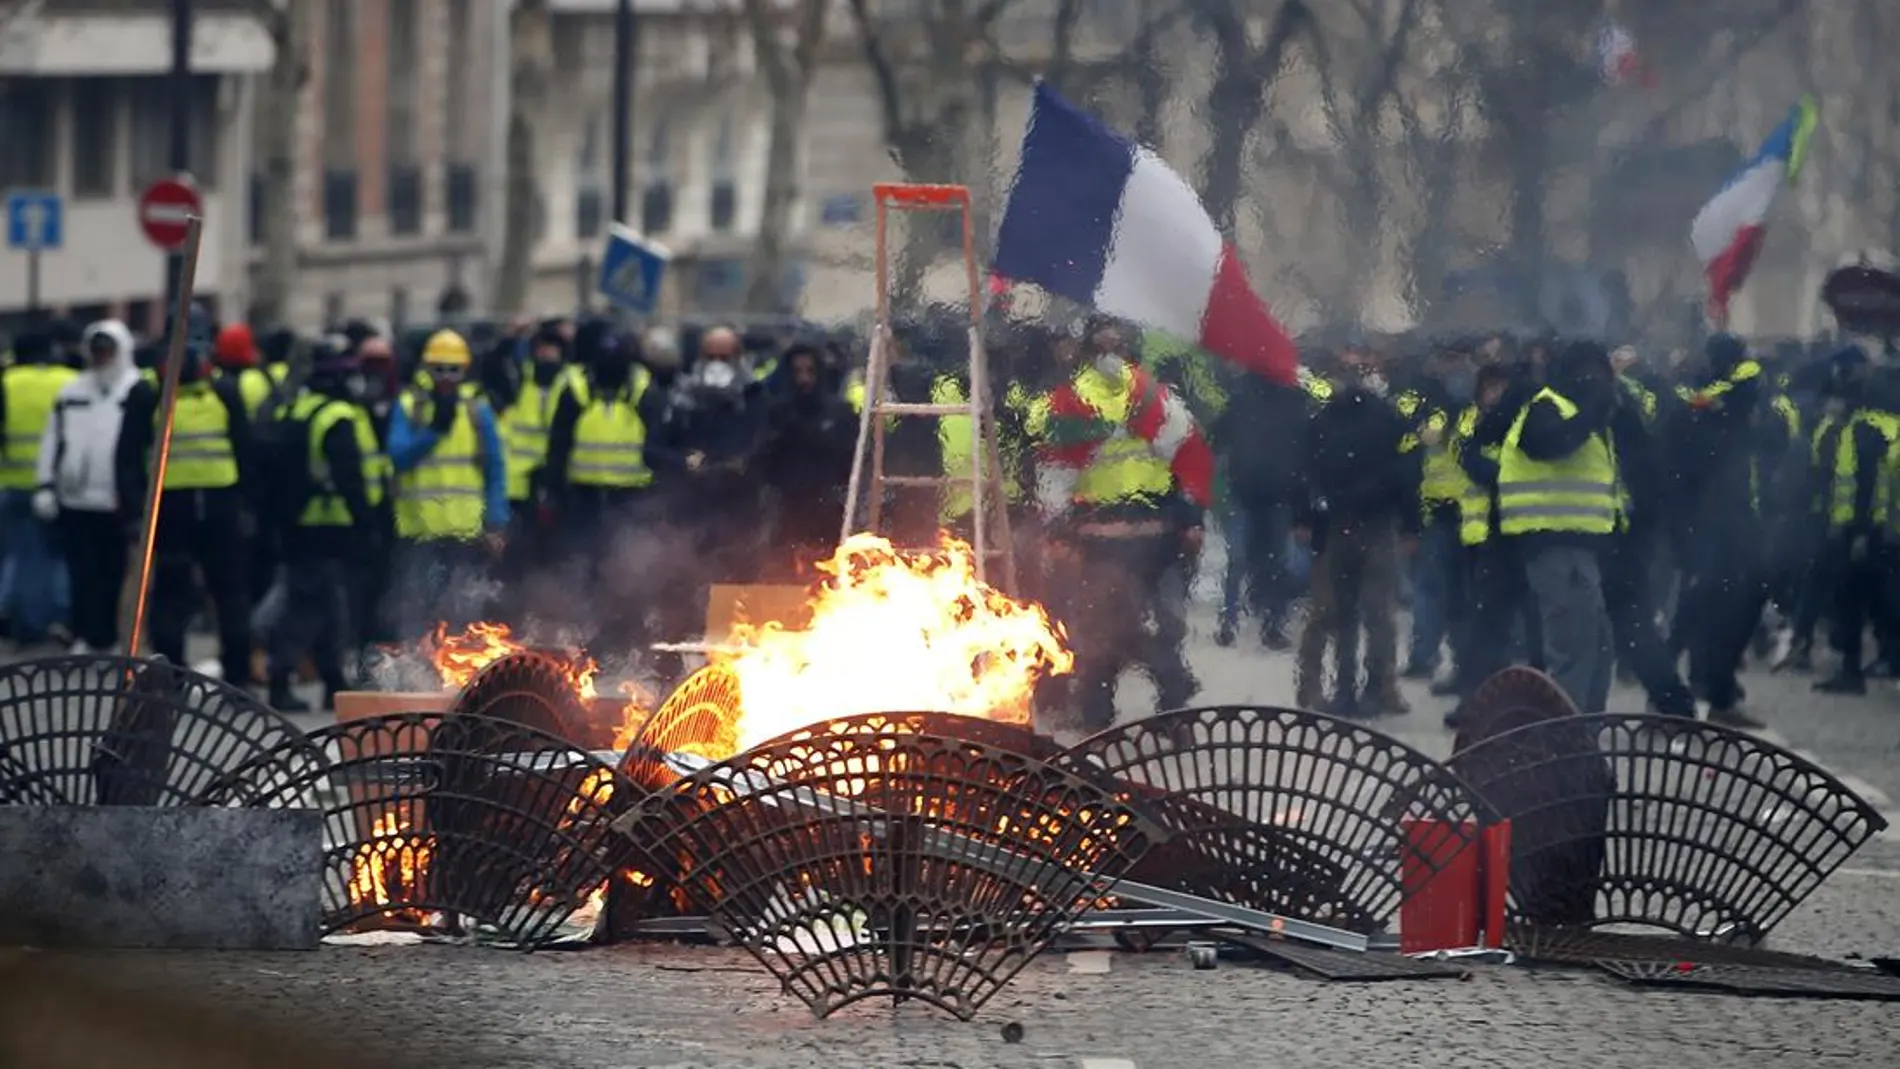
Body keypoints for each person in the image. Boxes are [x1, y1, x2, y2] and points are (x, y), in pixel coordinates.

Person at [1031, 316, 1207, 731]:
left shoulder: (1150, 398)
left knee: (1129, 629)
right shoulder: (1093, 399)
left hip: (1141, 537)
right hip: (1116, 538)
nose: (1112, 353)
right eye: (1106, 345)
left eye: (1117, 345)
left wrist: (1190, 518)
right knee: (1114, 631)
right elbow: (1056, 468)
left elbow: (1188, 460)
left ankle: (1146, 712)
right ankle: (1135, 711)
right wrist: (1058, 525)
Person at [115, 309, 255, 683]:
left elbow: (246, 453)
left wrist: (248, 508)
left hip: (220, 507)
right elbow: (127, 459)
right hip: (169, 510)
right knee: (171, 596)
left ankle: (237, 677)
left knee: (229, 595)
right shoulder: (147, 393)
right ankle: (170, 677)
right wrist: (135, 513)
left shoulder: (224, 391)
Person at [1494, 340, 1620, 714]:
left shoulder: (1580, 411)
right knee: (1573, 655)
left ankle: (1583, 733)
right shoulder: (1546, 407)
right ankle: (1564, 739)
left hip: (1579, 547)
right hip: (1553, 546)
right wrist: (1593, 410)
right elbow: (1550, 444)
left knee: (1596, 650)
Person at [1294, 349, 1417, 717]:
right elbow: (1304, 474)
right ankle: (1361, 687)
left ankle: (1362, 687)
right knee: (1350, 612)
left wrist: (1410, 523)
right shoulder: (1379, 418)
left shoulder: (1333, 420)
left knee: (1356, 613)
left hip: (1356, 524)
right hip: (1352, 525)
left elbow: (1405, 473)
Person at [266, 340, 382, 711]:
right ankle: (282, 679)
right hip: (329, 524)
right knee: (310, 607)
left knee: (325, 606)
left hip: (296, 523)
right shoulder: (337, 417)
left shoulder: (297, 409)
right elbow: (350, 478)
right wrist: (367, 524)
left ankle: (331, 679)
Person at [543, 321, 672, 654]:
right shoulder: (576, 387)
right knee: (586, 567)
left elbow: (659, 444)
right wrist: (553, 494)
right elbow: (558, 446)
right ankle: (588, 638)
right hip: (584, 496)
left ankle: (628, 637)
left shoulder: (643, 389)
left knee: (629, 570)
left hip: (631, 497)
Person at [386, 329, 508, 638]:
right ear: (426, 368)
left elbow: (494, 469)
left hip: (466, 532)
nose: (445, 377)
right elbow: (398, 456)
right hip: (420, 531)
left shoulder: (477, 410)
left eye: (453, 370)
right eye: (438, 369)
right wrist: (433, 431)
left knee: (463, 612)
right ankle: (417, 665)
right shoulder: (409, 406)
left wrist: (496, 522)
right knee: (418, 611)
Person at [36, 319, 139, 654]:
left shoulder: (136, 390)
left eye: (108, 351)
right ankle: (83, 633)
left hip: (116, 500)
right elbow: (52, 439)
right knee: (81, 573)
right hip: (76, 498)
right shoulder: (72, 391)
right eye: (96, 351)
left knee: (114, 573)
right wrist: (45, 484)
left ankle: (110, 637)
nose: (101, 357)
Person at [1, 331, 77, 646]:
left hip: (12, 483)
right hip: (62, 486)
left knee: (20, 556)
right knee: (59, 557)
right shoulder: (70, 380)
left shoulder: (7, 382)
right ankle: (59, 616)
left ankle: (20, 617)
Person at [759, 342, 857, 575]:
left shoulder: (840, 413)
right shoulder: (775, 414)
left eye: (810, 371)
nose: (804, 379)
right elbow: (763, 461)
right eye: (797, 372)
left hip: (829, 512)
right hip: (787, 512)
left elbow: (850, 459)